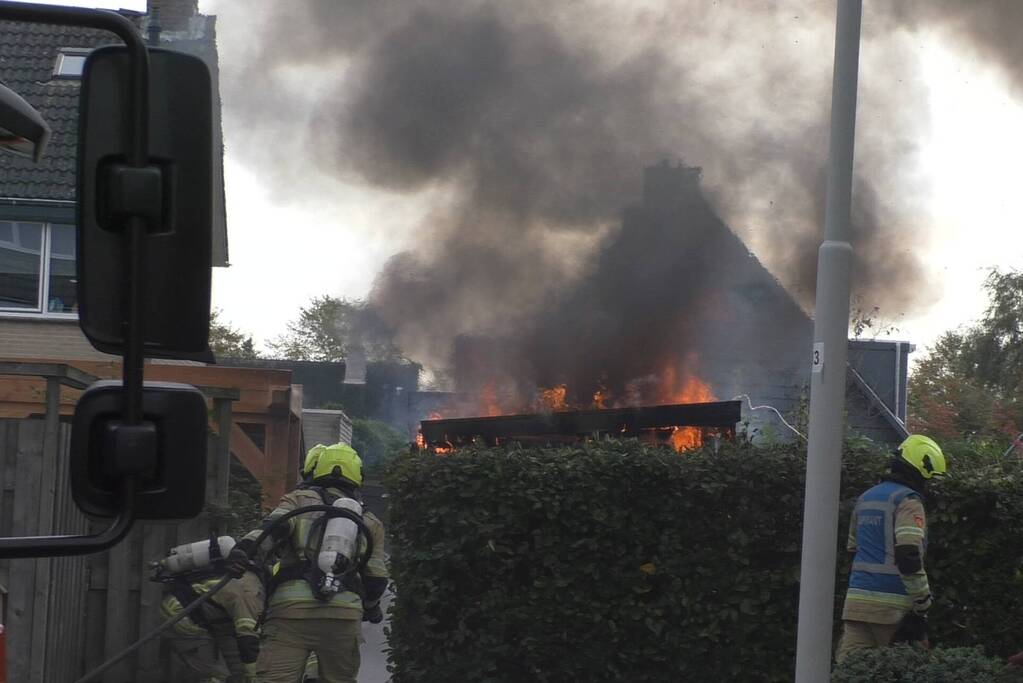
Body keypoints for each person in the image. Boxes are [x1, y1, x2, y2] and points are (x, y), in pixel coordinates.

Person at [231, 443, 388, 683]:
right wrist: (372, 607)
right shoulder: (370, 521)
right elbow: (376, 578)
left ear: (316, 469)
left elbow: (270, 531)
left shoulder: (298, 501)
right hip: (343, 617)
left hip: (290, 612)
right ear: (357, 475)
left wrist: (241, 552)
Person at [834, 434, 947, 663]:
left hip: (857, 604)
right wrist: (922, 601)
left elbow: (853, 549)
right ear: (920, 469)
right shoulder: (908, 502)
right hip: (894, 608)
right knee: (915, 670)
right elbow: (908, 555)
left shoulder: (866, 498)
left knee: (851, 671)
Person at [154, 536, 264, 683]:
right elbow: (248, 636)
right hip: (182, 617)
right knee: (214, 675)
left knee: (240, 674)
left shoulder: (251, 581)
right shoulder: (250, 593)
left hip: (215, 619)